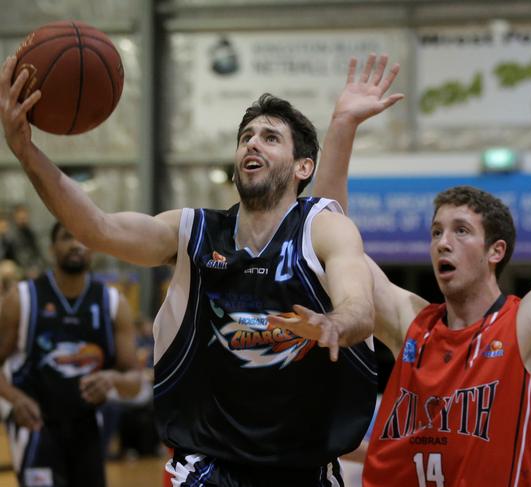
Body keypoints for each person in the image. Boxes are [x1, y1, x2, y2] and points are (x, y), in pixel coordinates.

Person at [0, 51, 403, 486]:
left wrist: (336, 323)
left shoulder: (324, 228)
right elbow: (99, 228)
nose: (252, 143)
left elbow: (360, 305)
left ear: (303, 167)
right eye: (246, 136)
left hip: (306, 468)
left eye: (270, 137)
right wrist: (26, 151)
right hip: (208, 467)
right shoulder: (193, 230)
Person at [308, 8, 531, 486]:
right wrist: (343, 126)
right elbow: (327, 234)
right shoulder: (411, 324)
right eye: (436, 231)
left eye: (460, 231)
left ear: (496, 251)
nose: (443, 242)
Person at [0, 222, 142, 487]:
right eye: (67, 237)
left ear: (95, 249)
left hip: (87, 426)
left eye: (84, 238)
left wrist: (112, 379)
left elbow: (135, 381)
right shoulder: (22, 298)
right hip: (35, 426)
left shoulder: (113, 303)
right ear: (52, 248)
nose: (76, 244)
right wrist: (14, 399)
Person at [10, 204, 45, 279]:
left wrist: (37, 267)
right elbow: (19, 256)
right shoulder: (10, 235)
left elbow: (39, 253)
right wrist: (27, 270)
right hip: (18, 268)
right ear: (14, 217)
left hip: (34, 267)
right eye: (20, 217)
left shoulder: (32, 233)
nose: (23, 220)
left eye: (25, 217)